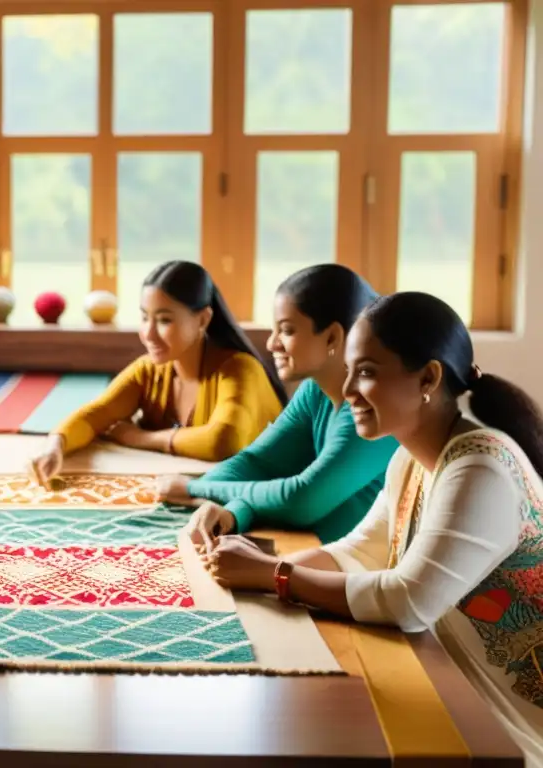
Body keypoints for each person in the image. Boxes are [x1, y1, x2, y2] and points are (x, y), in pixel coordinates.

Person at [190, 292, 543, 764]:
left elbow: (408, 601)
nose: (349, 389)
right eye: (351, 369)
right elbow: (360, 551)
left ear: (428, 378)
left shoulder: (481, 466)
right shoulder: (412, 457)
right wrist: (248, 574)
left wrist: (273, 575)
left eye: (368, 372)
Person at [157, 264, 398, 544]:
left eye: (286, 330)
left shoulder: (373, 407)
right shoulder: (314, 391)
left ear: (332, 336)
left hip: (361, 571)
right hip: (313, 551)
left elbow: (302, 500)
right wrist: (237, 511)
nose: (272, 343)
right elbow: (256, 462)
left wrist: (193, 487)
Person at [32, 261, 286, 480]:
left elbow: (223, 441)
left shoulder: (240, 369)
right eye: (144, 318)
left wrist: (139, 438)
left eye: (164, 320)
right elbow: (97, 414)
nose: (148, 334)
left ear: (203, 320)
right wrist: (55, 447)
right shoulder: (149, 370)